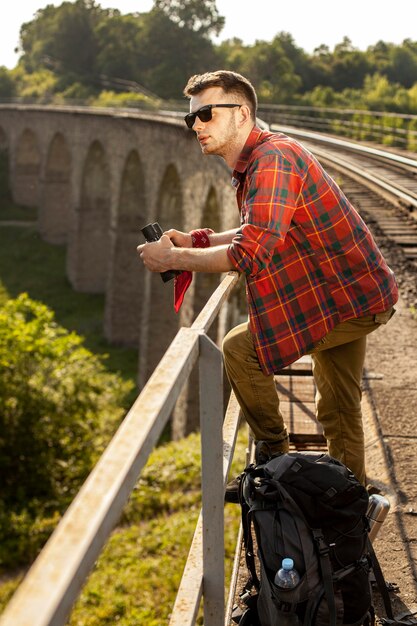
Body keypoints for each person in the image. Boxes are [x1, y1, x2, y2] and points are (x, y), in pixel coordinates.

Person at [137, 70, 398, 491]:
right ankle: (349, 501)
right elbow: (255, 230)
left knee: (240, 349)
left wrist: (174, 256)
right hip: (349, 293)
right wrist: (196, 240)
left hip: (343, 297)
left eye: (206, 114)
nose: (197, 126)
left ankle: (275, 458)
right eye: (191, 120)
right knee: (338, 406)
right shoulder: (260, 160)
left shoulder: (272, 160)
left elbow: (249, 252)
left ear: (241, 113)